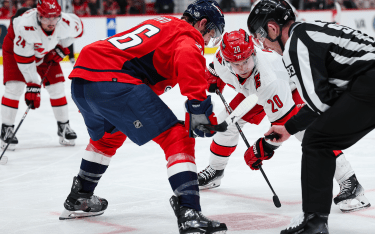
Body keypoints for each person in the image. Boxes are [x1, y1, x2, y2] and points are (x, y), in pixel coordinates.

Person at [247, 0, 375, 233]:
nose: (262, 44)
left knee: (317, 140)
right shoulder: (314, 29)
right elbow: (334, 94)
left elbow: (320, 101)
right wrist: (289, 127)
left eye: (259, 35)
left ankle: (314, 221)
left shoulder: (297, 43)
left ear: (273, 28)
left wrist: (294, 125)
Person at [59, 0, 228, 233]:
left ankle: (81, 195)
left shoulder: (162, 22)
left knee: (108, 137)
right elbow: (188, 54)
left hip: (83, 79)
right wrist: (199, 107)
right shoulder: (189, 36)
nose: (209, 40)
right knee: (177, 136)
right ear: (202, 23)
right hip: (112, 81)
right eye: (211, 33)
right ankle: (189, 211)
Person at [198, 29, 370, 213]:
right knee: (226, 124)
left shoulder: (269, 78)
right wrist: (214, 77)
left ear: (253, 53)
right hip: (254, 91)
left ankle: (351, 184)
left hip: (291, 86)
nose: (242, 68)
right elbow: (214, 67)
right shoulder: (224, 57)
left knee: (308, 132)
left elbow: (283, 127)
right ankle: (215, 171)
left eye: (246, 61)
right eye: (236, 64)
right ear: (226, 60)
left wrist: (263, 148)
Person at [1, 0, 83, 151]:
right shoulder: (25, 26)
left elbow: (78, 31)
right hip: (16, 51)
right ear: (38, 16)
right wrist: (33, 84)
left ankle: (63, 126)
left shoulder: (65, 22)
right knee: (15, 87)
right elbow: (24, 59)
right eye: (46, 18)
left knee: (57, 87)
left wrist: (61, 47)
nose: (51, 22)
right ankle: (7, 128)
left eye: (54, 17)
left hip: (45, 50)